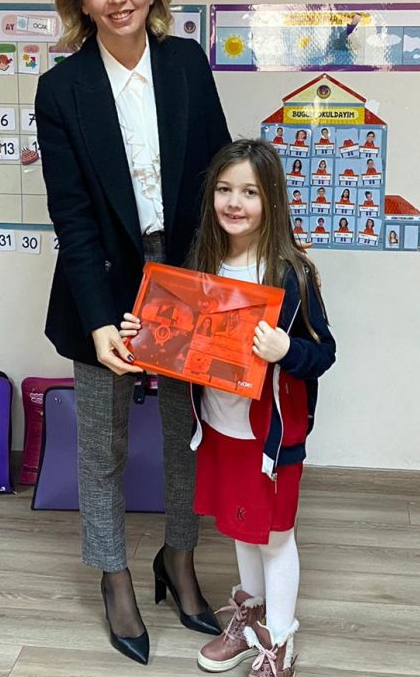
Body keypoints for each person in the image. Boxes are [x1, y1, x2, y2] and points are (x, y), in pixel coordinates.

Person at [36, 0, 229, 665]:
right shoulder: (63, 89)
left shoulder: (186, 64)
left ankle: (179, 558)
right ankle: (113, 573)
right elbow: (73, 217)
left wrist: (229, 278)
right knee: (102, 443)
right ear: (80, 0)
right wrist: (96, 321)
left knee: (188, 435)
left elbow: (219, 178)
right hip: (103, 280)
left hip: (185, 276)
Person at [120, 140, 336, 677]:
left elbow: (324, 353)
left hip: (271, 438)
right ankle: (250, 617)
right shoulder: (202, 265)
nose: (234, 202)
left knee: (275, 536)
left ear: (272, 200)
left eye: (249, 192)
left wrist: (287, 351)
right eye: (224, 190)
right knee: (240, 525)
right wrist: (143, 332)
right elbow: (181, 342)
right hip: (218, 427)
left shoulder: (290, 273)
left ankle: (280, 641)